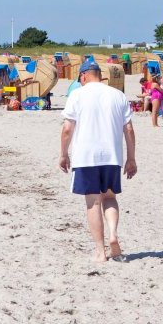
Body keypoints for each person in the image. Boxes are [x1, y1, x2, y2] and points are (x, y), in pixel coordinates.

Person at [59, 61, 137, 263]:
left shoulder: (77, 94)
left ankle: (100, 252)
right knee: (110, 198)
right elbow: (128, 129)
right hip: (112, 157)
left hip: (86, 157)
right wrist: (131, 158)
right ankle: (113, 234)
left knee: (93, 202)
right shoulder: (118, 95)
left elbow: (67, 129)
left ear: (83, 76)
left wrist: (63, 154)